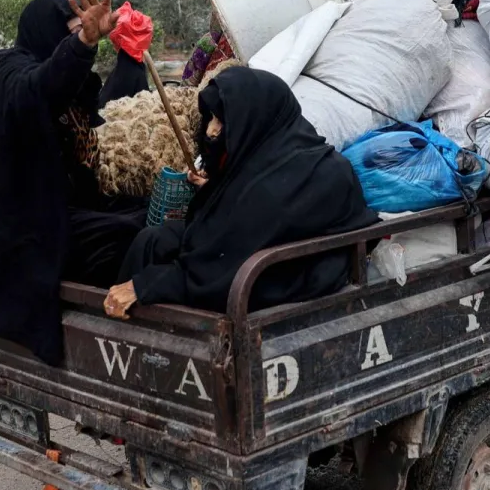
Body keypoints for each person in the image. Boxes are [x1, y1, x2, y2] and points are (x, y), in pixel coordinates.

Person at [0, 0, 150, 364]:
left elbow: (95, 113)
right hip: (11, 231)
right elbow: (42, 86)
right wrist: (82, 45)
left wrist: (121, 56)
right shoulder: (6, 74)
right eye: (70, 33)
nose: (81, 38)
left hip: (51, 206)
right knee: (127, 236)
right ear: (45, 33)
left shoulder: (63, 85)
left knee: (147, 213)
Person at [103, 66, 380, 317]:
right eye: (212, 118)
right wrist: (214, 189)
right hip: (269, 262)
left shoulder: (277, 188)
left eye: (222, 121)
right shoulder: (294, 160)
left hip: (274, 280)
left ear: (253, 121)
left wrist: (144, 286)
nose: (211, 131)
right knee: (155, 239)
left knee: (153, 247)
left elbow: (219, 268)